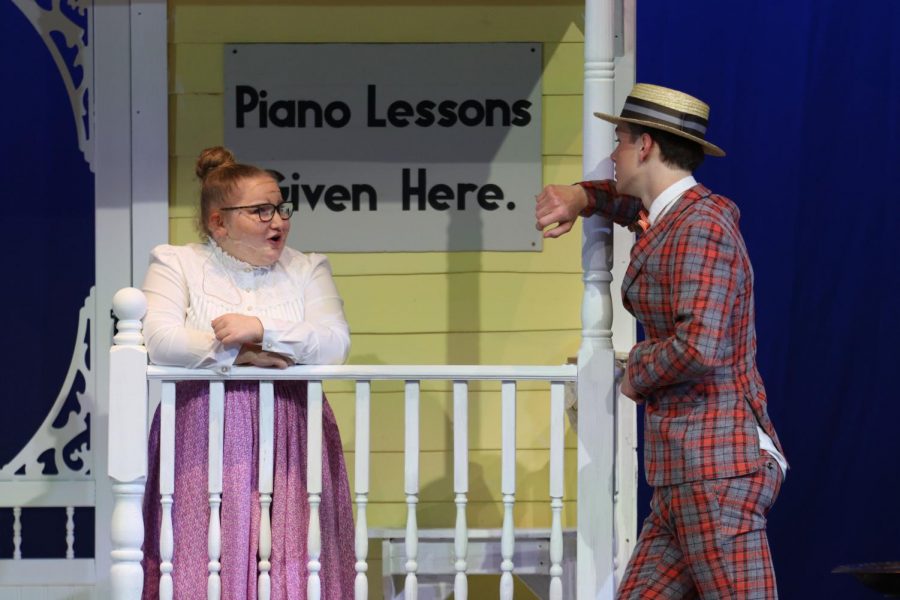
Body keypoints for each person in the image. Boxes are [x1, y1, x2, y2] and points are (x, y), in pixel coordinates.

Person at [535, 84, 787, 599]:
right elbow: (633, 206)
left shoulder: (704, 226)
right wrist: (583, 197)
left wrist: (633, 369)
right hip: (681, 477)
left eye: (620, 140)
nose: (613, 154)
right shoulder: (672, 216)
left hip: (717, 472)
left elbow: (701, 344)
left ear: (645, 146)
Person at [140, 146, 354, 599]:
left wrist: (262, 330)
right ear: (219, 221)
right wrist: (238, 357)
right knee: (203, 551)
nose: (278, 221)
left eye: (280, 208)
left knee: (294, 554)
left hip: (292, 427)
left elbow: (334, 342)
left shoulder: (307, 268)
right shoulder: (178, 263)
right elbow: (160, 338)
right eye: (261, 211)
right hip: (203, 429)